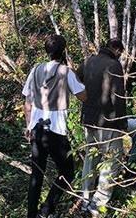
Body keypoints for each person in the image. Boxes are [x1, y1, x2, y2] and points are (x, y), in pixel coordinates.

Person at [22, 34, 87, 218]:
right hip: (56, 131)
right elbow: (83, 96)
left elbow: (27, 102)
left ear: (47, 51)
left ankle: (31, 214)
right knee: (67, 171)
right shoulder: (66, 72)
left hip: (36, 129)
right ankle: (46, 210)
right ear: (63, 51)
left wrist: (28, 126)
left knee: (36, 175)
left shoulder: (35, 70)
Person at [77, 39, 127, 217]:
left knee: (90, 160)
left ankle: (85, 200)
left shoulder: (88, 61)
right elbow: (119, 97)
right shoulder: (114, 65)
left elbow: (76, 80)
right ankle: (97, 205)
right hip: (108, 122)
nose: (120, 56)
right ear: (116, 49)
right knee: (112, 161)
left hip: (89, 120)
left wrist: (86, 98)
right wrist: (122, 123)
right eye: (120, 52)